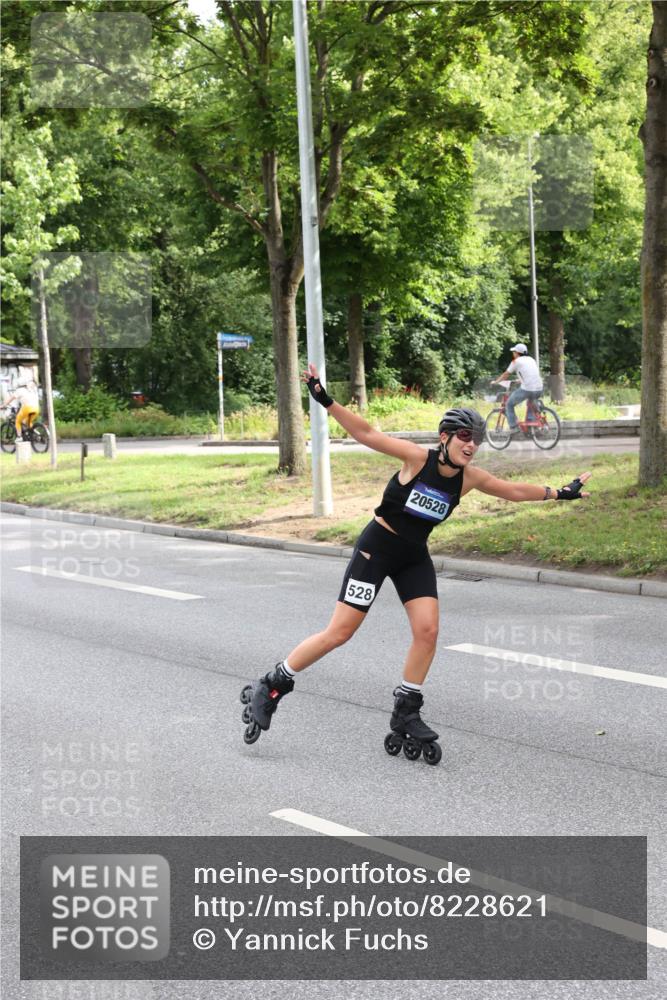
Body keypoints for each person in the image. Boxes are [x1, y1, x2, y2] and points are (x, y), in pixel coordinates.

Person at [240, 362, 591, 765]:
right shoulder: (416, 459)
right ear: (444, 438)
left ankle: (406, 710)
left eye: (476, 439)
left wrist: (561, 493)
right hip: (377, 548)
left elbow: (511, 490)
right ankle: (272, 684)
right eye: (464, 437)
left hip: (413, 556)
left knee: (428, 630)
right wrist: (325, 399)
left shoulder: (469, 478)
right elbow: (367, 434)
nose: (471, 445)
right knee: (340, 632)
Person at [491, 343, 543, 435]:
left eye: (514, 352)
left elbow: (506, 374)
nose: (513, 354)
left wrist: (496, 382)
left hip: (528, 389)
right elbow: (530, 374)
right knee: (530, 402)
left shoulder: (516, 361)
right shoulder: (531, 359)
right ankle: (531, 425)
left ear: (517, 353)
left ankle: (513, 427)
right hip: (539, 388)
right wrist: (520, 380)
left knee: (509, 404)